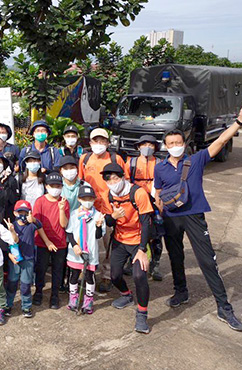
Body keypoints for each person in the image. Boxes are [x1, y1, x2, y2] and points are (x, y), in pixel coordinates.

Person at [154, 105, 242, 332]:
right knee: (176, 257)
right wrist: (159, 214)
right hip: (171, 217)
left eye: (178, 143)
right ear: (165, 146)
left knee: (208, 261)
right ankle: (181, 292)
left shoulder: (195, 160)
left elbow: (219, 142)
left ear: (184, 143)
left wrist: (239, 121)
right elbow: (158, 193)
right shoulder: (160, 168)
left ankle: (224, 307)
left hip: (194, 216)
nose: (175, 147)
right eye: (171, 144)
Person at [101, 163, 154, 333]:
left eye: (115, 178)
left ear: (123, 177)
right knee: (114, 275)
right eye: (108, 180)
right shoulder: (108, 195)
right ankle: (126, 295)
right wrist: (113, 216)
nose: (112, 182)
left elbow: (147, 222)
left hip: (138, 241)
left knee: (139, 275)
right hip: (119, 240)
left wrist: (142, 249)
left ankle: (142, 314)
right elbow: (108, 222)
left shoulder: (138, 193)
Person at [78, 127, 128, 292]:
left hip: (109, 209)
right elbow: (80, 181)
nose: (99, 144)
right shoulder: (84, 159)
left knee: (109, 244)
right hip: (89, 208)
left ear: (107, 142)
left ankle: (106, 276)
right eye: (95, 141)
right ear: (90, 142)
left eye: (102, 141)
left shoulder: (116, 159)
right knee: (87, 241)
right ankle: (85, 272)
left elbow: (124, 183)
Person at [127, 135, 163, 281]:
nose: (147, 147)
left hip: (155, 201)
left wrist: (161, 202)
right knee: (134, 230)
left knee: (156, 234)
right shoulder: (131, 163)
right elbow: (125, 182)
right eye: (144, 144)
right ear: (138, 147)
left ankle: (155, 265)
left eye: (151, 144)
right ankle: (132, 261)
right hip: (136, 201)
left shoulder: (160, 163)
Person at [33, 172, 70, 309]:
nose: (55, 188)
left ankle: (55, 295)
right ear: (46, 186)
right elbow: (37, 223)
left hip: (60, 242)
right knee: (41, 268)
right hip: (42, 241)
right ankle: (38, 292)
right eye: (52, 185)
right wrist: (47, 241)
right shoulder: (40, 201)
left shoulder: (64, 202)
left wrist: (61, 210)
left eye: (58, 186)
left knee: (58, 269)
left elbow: (64, 224)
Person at [66, 185, 105, 314]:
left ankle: (88, 300)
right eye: (84, 198)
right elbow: (69, 232)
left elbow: (98, 236)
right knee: (74, 275)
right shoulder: (74, 214)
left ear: (94, 199)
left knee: (89, 276)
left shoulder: (98, 215)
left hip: (91, 252)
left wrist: (98, 226)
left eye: (90, 198)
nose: (87, 201)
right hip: (75, 252)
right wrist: (75, 246)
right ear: (79, 199)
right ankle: (73, 298)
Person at [6, 200, 44, 318]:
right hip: (15, 260)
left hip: (28, 259)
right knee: (12, 282)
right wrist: (9, 255)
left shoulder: (31, 225)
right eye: (20, 212)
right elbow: (8, 243)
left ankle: (26, 306)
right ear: (15, 213)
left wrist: (34, 220)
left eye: (25, 212)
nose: (22, 215)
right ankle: (8, 304)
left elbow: (40, 226)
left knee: (25, 284)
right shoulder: (11, 226)